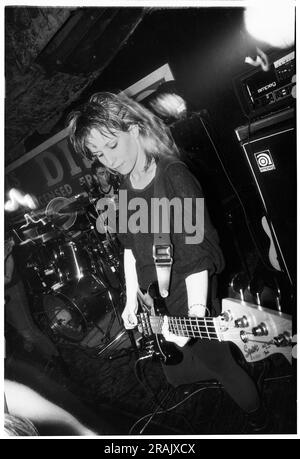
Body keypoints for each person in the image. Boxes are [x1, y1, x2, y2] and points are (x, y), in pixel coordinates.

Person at [66, 91, 269, 432]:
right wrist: (131, 299)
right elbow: (130, 248)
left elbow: (197, 253)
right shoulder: (126, 187)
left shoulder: (174, 176)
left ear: (134, 129)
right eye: (99, 154)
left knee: (219, 364)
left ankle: (259, 419)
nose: (108, 161)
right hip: (153, 297)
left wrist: (195, 314)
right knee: (176, 370)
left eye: (111, 146)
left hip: (191, 293)